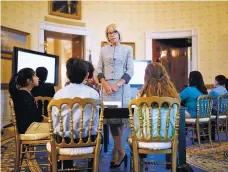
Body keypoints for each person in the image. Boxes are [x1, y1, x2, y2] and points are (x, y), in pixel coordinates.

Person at [96, 24, 134, 168]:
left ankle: (116, 153)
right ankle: (121, 151)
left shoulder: (127, 49)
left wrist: (117, 85)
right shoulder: (103, 50)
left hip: (122, 88)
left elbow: (130, 70)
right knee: (112, 120)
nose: (111, 35)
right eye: (108, 33)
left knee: (120, 120)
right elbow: (99, 69)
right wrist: (105, 84)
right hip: (106, 90)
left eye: (114, 32)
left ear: (119, 33)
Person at [52, 58, 100, 168]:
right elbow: (96, 118)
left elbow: (54, 120)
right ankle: (91, 167)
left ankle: (67, 165)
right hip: (88, 139)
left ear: (67, 75)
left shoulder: (59, 94)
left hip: (64, 140)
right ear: (87, 75)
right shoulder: (93, 94)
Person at [134, 62, 179, 171]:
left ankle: (140, 164)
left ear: (146, 77)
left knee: (132, 138)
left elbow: (136, 125)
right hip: (168, 139)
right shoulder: (173, 96)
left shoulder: (140, 96)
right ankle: (172, 165)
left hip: (144, 139)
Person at [8, 68, 48, 134]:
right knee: (56, 128)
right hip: (28, 129)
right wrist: (49, 120)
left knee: (55, 126)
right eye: (35, 76)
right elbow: (37, 117)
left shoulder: (23, 93)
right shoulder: (24, 95)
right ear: (29, 80)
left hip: (29, 127)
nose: (38, 78)